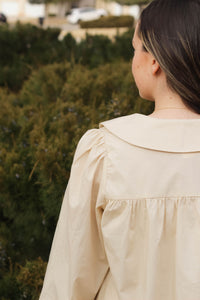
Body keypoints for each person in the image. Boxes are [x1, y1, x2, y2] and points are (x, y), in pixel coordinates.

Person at [39, 0, 200, 299]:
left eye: (135, 48)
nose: (133, 59)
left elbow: (71, 279)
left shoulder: (106, 152)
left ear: (154, 61)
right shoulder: (105, 151)